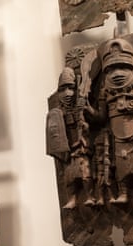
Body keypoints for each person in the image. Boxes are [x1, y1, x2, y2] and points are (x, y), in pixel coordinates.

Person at [85, 38, 133, 203]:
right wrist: (88, 109)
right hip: (116, 135)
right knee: (120, 163)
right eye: (111, 70)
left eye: (122, 68)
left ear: (132, 69)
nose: (117, 74)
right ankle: (123, 193)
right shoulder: (105, 92)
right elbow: (101, 117)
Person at [47, 67, 95, 209]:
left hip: (82, 146)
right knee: (69, 177)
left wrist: (86, 113)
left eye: (70, 88)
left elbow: (97, 120)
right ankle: (72, 198)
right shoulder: (57, 114)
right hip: (68, 150)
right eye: (62, 89)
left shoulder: (80, 108)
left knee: (85, 172)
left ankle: (90, 196)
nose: (67, 93)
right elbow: (57, 135)